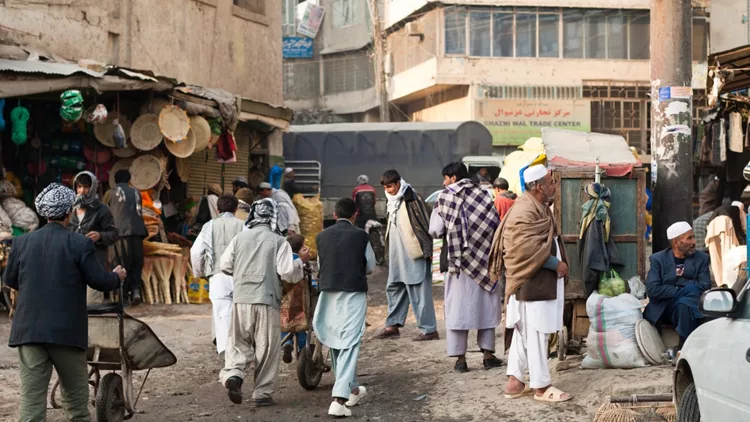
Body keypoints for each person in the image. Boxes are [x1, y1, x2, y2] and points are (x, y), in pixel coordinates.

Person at [5, 183, 126, 422]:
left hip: (28, 332)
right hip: (66, 333)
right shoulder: (80, 243)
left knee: (31, 405)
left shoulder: (21, 243)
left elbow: (10, 279)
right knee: (76, 405)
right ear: (68, 212)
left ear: (43, 213)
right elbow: (99, 280)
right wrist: (117, 277)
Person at [489, 164, 571, 403]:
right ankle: (541, 386)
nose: (554, 186)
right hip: (531, 283)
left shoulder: (538, 206)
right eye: (550, 182)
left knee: (524, 334)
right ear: (538, 187)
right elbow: (526, 248)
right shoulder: (524, 209)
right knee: (536, 333)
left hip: (536, 284)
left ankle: (515, 382)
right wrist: (556, 264)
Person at [219, 198, 308, 407]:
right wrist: (300, 262)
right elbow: (286, 272)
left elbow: (225, 265)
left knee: (238, 343)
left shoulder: (239, 238)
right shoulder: (279, 241)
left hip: (241, 299)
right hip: (266, 299)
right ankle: (262, 393)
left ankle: (234, 375)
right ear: (273, 217)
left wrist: (242, 273)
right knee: (267, 348)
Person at [430, 163, 503, 372]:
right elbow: (494, 224)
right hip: (484, 261)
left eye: (445, 178)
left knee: (458, 308)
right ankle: (488, 355)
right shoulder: (483, 194)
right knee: (486, 306)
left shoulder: (444, 197)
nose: (444, 183)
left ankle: (460, 360)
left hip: (458, 263)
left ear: (453, 178)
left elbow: (435, 230)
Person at [315, 198, 375, 417]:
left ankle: (353, 390)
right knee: (350, 342)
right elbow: (370, 266)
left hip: (327, 293)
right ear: (355, 215)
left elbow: (321, 265)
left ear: (333, 214)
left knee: (336, 341)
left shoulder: (321, 236)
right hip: (353, 294)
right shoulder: (361, 236)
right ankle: (339, 400)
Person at [373, 169, 438, 341]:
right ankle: (392, 325)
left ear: (398, 183)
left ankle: (429, 329)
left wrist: (429, 250)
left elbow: (426, 223)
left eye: (390, 187)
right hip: (396, 254)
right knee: (395, 287)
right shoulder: (391, 201)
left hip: (414, 253)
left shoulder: (412, 198)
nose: (388, 190)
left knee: (418, 289)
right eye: (385, 187)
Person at [191, 194, 246, 356]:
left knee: (222, 314)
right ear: (236, 209)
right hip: (240, 276)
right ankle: (242, 348)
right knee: (242, 313)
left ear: (217, 209)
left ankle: (225, 350)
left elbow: (195, 252)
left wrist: (199, 273)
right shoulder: (243, 226)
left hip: (217, 276)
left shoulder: (209, 226)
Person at [643, 222, 710, 352]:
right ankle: (685, 348)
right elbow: (652, 290)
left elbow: (704, 285)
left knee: (684, 305)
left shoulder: (702, 258)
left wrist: (676, 287)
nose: (694, 242)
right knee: (691, 291)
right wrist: (682, 289)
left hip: (687, 306)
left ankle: (682, 348)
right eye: (689, 238)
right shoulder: (658, 259)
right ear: (675, 242)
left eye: (693, 237)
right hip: (665, 307)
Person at [68, 171, 119, 305]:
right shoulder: (70, 210)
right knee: (73, 304)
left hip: (94, 264)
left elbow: (114, 234)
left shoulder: (102, 209)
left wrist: (100, 235)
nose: (82, 191)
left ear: (93, 188)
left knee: (92, 304)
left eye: (85, 187)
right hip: (72, 265)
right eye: (79, 187)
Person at [107, 169, 148, 306]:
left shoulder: (111, 193)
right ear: (129, 179)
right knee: (136, 262)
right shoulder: (137, 192)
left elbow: (104, 211)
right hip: (137, 232)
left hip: (120, 232)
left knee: (121, 263)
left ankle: (123, 295)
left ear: (116, 180)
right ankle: (136, 291)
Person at [280, 234, 310, 363]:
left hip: (283, 299)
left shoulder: (283, 261)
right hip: (298, 299)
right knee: (300, 326)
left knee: (284, 324)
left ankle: (287, 343)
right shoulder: (301, 261)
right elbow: (309, 276)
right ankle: (303, 349)